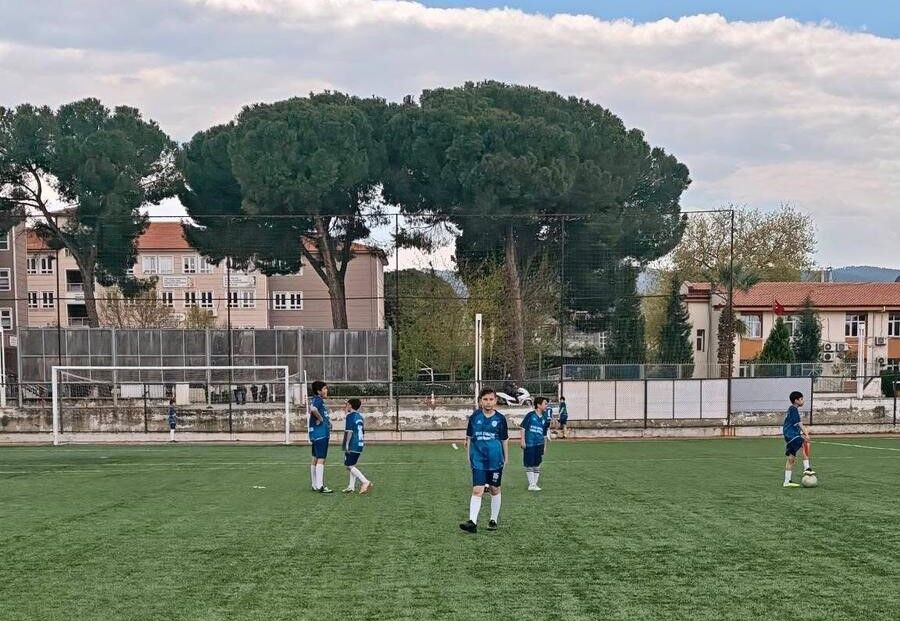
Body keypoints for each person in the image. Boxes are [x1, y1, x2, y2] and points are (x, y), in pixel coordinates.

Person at [459, 387, 509, 534]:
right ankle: (472, 522)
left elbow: (504, 439)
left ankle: (493, 519)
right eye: (485, 399)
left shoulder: (500, 419)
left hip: (495, 459)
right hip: (478, 459)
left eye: (491, 399)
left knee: (494, 489)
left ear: (495, 400)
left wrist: (506, 457)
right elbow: (469, 438)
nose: (488, 402)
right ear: (480, 401)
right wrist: (468, 456)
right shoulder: (475, 417)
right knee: (477, 490)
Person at [782, 391, 815, 488]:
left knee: (791, 459)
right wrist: (806, 434)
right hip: (791, 434)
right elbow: (800, 424)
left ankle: (787, 481)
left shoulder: (791, 410)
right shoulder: (793, 409)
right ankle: (807, 468)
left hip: (788, 435)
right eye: (801, 399)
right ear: (796, 401)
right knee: (805, 443)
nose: (803, 401)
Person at [341, 398, 373, 495]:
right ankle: (351, 487)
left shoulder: (350, 416)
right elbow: (362, 431)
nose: (346, 406)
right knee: (352, 464)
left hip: (352, 443)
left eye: (347, 404)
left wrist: (346, 444)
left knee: (349, 465)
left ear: (350, 405)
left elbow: (349, 431)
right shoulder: (359, 416)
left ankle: (365, 481)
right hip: (359, 443)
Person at [520, 396, 550, 491]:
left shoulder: (545, 417)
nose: (546, 405)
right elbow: (523, 428)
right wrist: (523, 440)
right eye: (545, 403)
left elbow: (544, 433)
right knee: (529, 464)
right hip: (530, 443)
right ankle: (531, 484)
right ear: (538, 405)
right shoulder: (530, 415)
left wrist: (545, 446)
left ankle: (534, 484)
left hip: (539, 444)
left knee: (537, 464)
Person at [309, 380, 333, 493]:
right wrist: (321, 419)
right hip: (321, 433)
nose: (326, 390)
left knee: (315, 457)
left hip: (315, 433)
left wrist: (328, 422)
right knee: (321, 458)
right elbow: (313, 409)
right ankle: (320, 486)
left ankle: (314, 484)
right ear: (319, 391)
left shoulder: (316, 399)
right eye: (325, 388)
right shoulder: (318, 400)